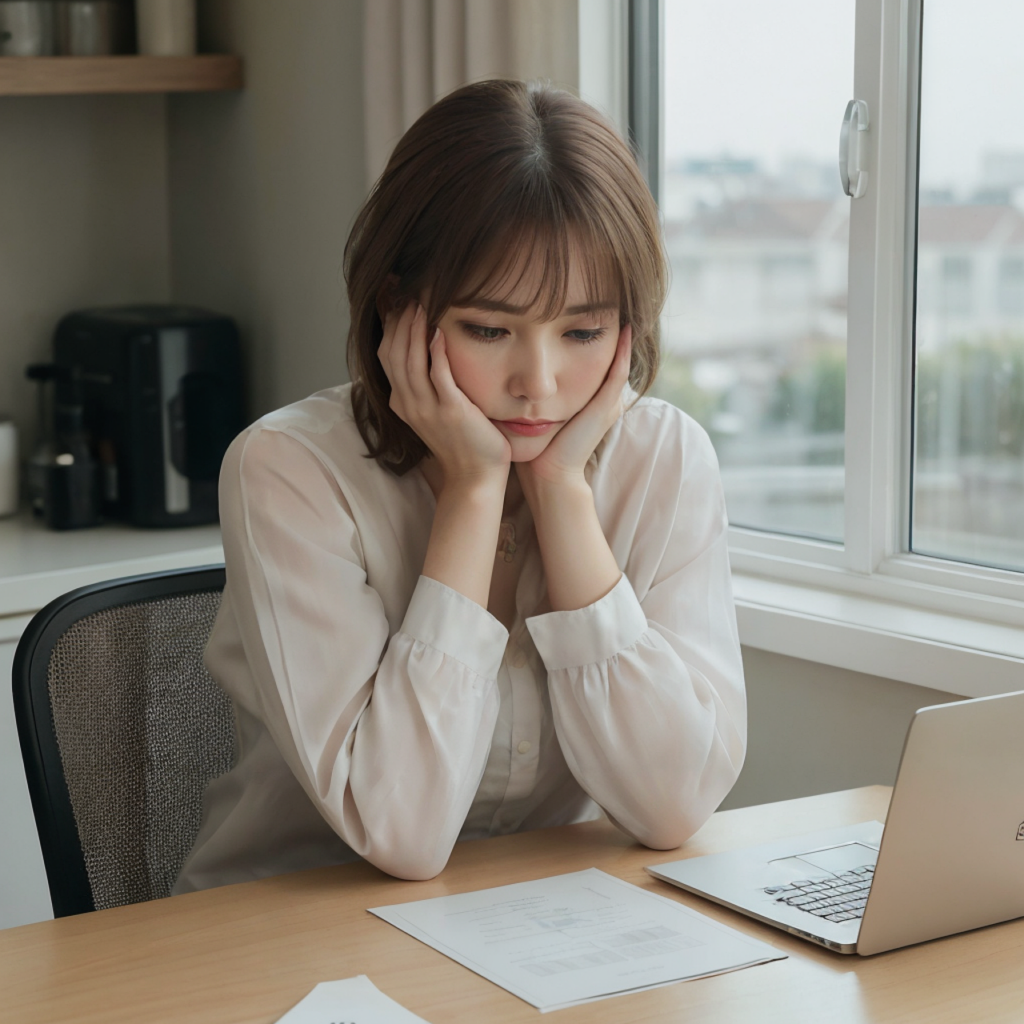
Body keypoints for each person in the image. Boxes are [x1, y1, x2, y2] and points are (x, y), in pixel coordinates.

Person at [173, 79, 745, 893]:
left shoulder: (666, 461)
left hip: (543, 931)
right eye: (489, 329)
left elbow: (673, 807)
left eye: (582, 331)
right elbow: (400, 835)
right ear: (399, 310)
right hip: (289, 940)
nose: (538, 384)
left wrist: (562, 495)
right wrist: (475, 494)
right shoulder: (287, 472)